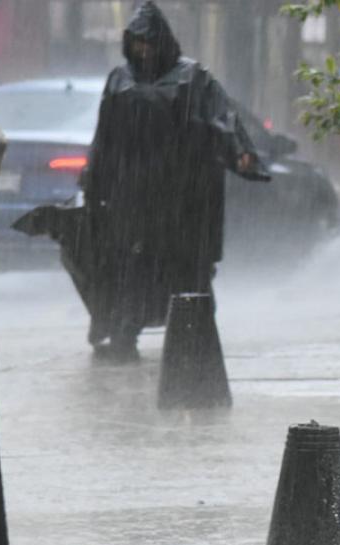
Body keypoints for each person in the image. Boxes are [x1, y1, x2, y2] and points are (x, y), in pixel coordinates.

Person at [81, 1, 267, 361]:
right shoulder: (120, 80)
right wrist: (94, 178)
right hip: (133, 196)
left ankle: (196, 344)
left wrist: (240, 150)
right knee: (132, 268)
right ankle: (124, 337)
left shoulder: (193, 77)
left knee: (188, 270)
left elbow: (223, 118)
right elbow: (105, 135)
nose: (144, 50)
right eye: (137, 43)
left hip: (183, 197)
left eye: (150, 43)